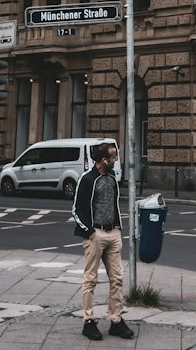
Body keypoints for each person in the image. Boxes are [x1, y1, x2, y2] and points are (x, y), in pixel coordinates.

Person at [72, 142, 134, 341]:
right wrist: (90, 232)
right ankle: (88, 321)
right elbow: (76, 209)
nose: (116, 159)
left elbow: (113, 205)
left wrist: (117, 228)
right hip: (95, 234)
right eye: (114, 156)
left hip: (113, 233)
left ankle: (116, 320)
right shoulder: (88, 179)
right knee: (91, 279)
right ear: (104, 160)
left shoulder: (112, 178)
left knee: (117, 278)